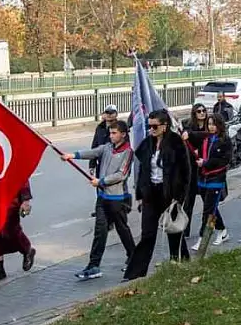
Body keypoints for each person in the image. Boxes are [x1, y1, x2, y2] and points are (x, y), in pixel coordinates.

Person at [62, 120, 135, 281]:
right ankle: (93, 265)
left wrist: (101, 181)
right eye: (110, 133)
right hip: (102, 198)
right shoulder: (107, 147)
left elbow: (121, 175)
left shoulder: (128, 152)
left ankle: (133, 257)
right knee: (100, 231)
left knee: (123, 229)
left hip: (117, 199)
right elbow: (93, 152)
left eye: (114, 133)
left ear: (123, 134)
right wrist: (72, 156)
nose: (111, 136)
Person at [123, 110, 191, 280]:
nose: (151, 129)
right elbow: (142, 170)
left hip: (170, 194)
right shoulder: (148, 144)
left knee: (173, 230)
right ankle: (135, 272)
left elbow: (185, 172)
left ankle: (180, 262)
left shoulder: (176, 143)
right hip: (151, 194)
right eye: (149, 126)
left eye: (154, 126)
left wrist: (179, 196)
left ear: (164, 126)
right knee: (147, 234)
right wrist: (140, 192)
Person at [191, 114, 231, 249]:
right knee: (211, 207)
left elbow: (224, 161)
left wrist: (206, 163)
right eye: (209, 124)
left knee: (207, 210)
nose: (211, 127)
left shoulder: (225, 141)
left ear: (220, 125)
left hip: (216, 179)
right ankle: (222, 230)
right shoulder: (206, 138)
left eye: (214, 124)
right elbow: (193, 135)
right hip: (203, 178)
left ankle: (202, 238)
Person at [0, 180, 36, 284]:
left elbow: (22, 175)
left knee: (10, 230)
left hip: (11, 197)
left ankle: (27, 249)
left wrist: (25, 200)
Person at [87, 105, 119, 218]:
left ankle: (111, 215)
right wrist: (92, 164)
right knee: (100, 187)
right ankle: (101, 210)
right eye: (107, 112)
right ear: (103, 114)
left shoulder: (120, 128)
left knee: (111, 189)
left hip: (114, 164)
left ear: (116, 114)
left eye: (112, 112)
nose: (110, 114)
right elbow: (95, 146)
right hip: (101, 164)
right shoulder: (100, 128)